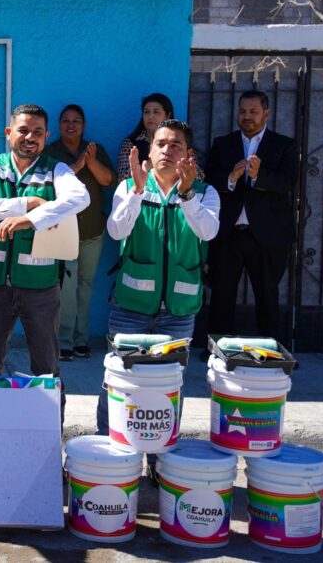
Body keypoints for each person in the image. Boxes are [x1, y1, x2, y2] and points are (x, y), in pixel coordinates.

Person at [98, 120, 220, 435]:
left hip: (179, 311)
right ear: (150, 151)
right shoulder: (129, 187)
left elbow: (208, 231)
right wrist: (137, 192)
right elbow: (116, 231)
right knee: (118, 379)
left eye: (175, 145)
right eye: (160, 144)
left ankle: (160, 451)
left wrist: (187, 195)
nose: (167, 150)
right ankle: (108, 443)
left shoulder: (205, 193)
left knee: (169, 385)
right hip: (131, 306)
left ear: (189, 155)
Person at [0, 104, 88, 411]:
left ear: (46, 136)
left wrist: (30, 219)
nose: (30, 137)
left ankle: (50, 433)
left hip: (41, 288)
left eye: (37, 132)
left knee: (47, 370)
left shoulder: (57, 170)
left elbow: (79, 198)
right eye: (23, 130)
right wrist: (29, 203)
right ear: (9, 133)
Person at [206, 90, 298, 343]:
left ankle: (271, 350)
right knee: (222, 293)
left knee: (267, 295)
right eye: (243, 111)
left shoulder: (283, 145)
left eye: (253, 112)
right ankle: (217, 347)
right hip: (229, 233)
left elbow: (288, 182)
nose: (247, 116)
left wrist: (258, 176)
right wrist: (231, 178)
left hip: (267, 236)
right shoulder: (222, 144)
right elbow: (208, 178)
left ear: (266, 113)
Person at [43, 104, 114, 361]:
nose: (71, 125)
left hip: (93, 230)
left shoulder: (95, 149)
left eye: (76, 121)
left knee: (86, 285)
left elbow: (108, 181)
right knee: (67, 287)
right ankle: (64, 341)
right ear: (59, 125)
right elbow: (47, 186)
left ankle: (81, 339)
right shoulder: (50, 153)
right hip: (63, 231)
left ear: (83, 126)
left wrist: (91, 162)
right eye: (66, 121)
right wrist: (76, 165)